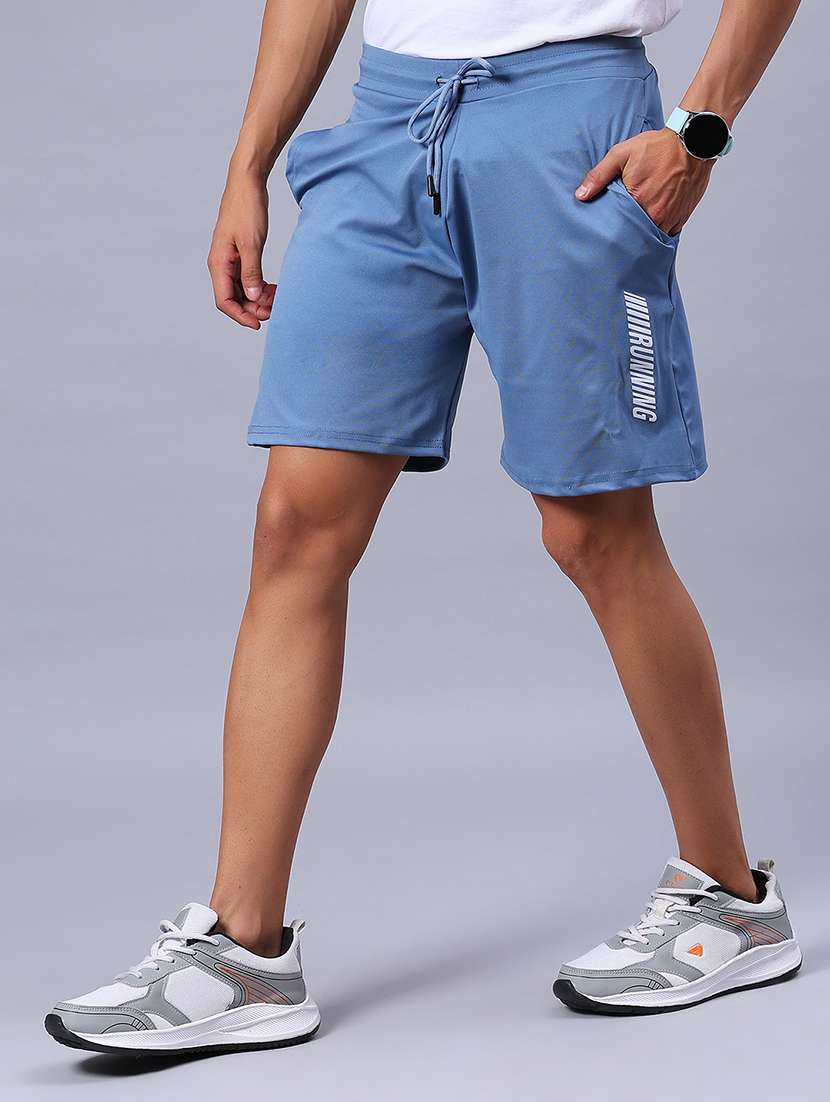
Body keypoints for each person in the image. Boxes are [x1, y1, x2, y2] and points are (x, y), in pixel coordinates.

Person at [46, 0, 804, 1055]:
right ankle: (244, 951)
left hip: (568, 123)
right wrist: (246, 163)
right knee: (296, 524)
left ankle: (730, 896)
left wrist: (699, 130)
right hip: (386, 125)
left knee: (593, 531)